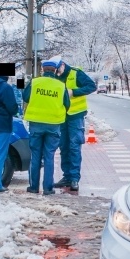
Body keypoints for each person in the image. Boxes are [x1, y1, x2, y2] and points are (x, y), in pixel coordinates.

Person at [22, 58, 70, 195]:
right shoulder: (61, 86)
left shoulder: (35, 82)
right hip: (54, 126)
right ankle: (48, 188)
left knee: (35, 155)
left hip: (36, 125)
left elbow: (25, 97)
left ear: (43, 69)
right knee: (49, 156)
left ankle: (33, 187)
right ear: (55, 70)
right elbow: (67, 104)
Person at [52, 56, 97, 192]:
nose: (57, 73)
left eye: (58, 70)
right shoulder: (55, 76)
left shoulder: (76, 73)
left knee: (74, 146)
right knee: (63, 146)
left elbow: (91, 86)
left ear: (63, 65)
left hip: (76, 116)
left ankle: (74, 179)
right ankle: (66, 176)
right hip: (62, 116)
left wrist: (74, 92)